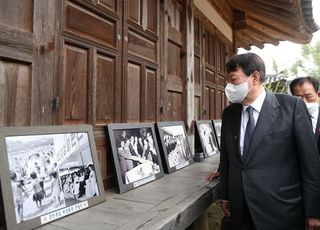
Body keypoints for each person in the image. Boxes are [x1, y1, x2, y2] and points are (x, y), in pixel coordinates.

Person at [217, 53, 320, 230]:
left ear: (255, 77)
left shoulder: (292, 106)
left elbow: (310, 163)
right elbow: (226, 158)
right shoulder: (230, 113)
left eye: (233, 80)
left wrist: (314, 212)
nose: (229, 86)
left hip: (280, 209)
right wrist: (225, 195)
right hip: (240, 209)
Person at [290, 76, 320, 152]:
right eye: (299, 98)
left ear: (318, 95)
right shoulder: (288, 120)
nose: (304, 102)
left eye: (308, 96)